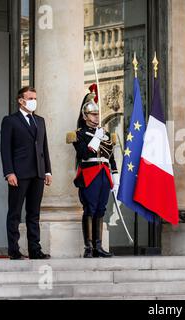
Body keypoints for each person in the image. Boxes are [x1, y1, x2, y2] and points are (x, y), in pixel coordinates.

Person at [0, 86, 52, 260]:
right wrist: (9, 172)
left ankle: (35, 250)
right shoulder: (10, 121)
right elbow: (5, 149)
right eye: (30, 98)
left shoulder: (40, 121)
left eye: (34, 98)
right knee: (14, 212)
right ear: (20, 100)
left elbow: (44, 147)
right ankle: (14, 250)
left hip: (38, 173)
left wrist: (48, 171)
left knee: (34, 213)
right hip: (19, 174)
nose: (33, 101)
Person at [71, 86, 118, 258]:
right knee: (89, 209)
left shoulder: (105, 134)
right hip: (90, 174)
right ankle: (88, 247)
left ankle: (98, 246)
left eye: (98, 114)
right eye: (93, 114)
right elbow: (84, 153)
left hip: (104, 174)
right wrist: (96, 138)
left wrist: (115, 175)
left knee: (101, 209)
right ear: (85, 117)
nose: (96, 117)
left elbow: (111, 157)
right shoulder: (79, 134)